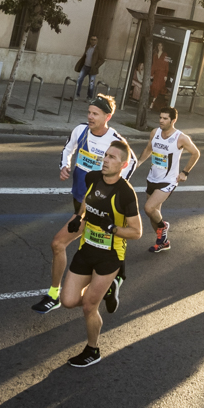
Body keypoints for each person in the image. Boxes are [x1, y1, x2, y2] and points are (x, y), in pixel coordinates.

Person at [32, 95, 137, 314]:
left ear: (107, 117)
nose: (90, 116)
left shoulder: (115, 141)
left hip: (97, 208)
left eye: (95, 114)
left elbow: (132, 162)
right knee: (90, 245)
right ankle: (113, 283)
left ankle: (55, 295)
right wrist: (64, 165)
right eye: (89, 112)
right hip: (79, 201)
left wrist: (113, 190)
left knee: (59, 243)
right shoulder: (80, 131)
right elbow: (68, 148)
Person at [59, 138, 142, 367]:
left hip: (109, 256)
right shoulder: (92, 177)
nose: (105, 160)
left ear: (123, 165)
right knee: (67, 301)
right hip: (86, 249)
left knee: (88, 307)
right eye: (105, 155)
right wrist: (80, 218)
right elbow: (87, 201)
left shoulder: (126, 193)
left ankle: (93, 350)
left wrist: (113, 228)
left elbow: (137, 232)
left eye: (112, 157)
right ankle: (107, 291)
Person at [138, 107, 200, 253]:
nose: (161, 120)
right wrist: (139, 162)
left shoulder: (180, 137)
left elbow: (196, 153)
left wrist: (185, 172)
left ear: (173, 120)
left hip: (168, 181)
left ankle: (163, 227)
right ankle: (163, 242)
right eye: (160, 117)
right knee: (153, 214)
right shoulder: (155, 132)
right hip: (152, 177)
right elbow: (148, 149)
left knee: (149, 208)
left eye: (165, 118)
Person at [75, 36, 105, 103]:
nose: (93, 41)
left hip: (92, 68)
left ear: (97, 41)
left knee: (91, 83)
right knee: (79, 80)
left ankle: (89, 97)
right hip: (85, 67)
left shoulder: (98, 49)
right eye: (92, 39)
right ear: (90, 40)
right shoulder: (88, 47)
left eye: (94, 40)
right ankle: (76, 95)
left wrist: (96, 66)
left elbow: (102, 59)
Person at [149, 42, 169, 109]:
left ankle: (152, 103)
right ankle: (153, 102)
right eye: (159, 45)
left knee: (158, 88)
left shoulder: (165, 54)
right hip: (156, 74)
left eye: (161, 45)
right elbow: (154, 65)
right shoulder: (155, 55)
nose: (160, 46)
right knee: (154, 87)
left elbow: (166, 65)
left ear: (163, 46)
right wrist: (151, 74)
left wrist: (166, 75)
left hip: (162, 74)